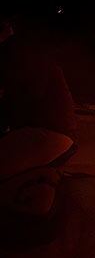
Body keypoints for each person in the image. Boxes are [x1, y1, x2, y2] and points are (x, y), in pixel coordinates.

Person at [0, 20, 77, 216]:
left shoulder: (16, 53)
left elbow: (15, 102)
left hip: (45, 132)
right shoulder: (26, 53)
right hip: (54, 132)